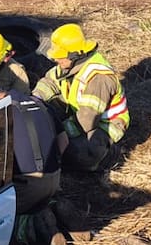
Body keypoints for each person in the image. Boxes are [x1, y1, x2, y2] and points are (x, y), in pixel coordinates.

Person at [32, 24, 128, 172]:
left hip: (103, 124)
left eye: (60, 57)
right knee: (45, 110)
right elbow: (50, 82)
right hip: (78, 112)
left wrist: (59, 133)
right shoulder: (68, 64)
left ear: (75, 55)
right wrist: (35, 99)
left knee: (77, 155)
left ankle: (108, 154)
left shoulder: (99, 78)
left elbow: (87, 119)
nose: (56, 60)